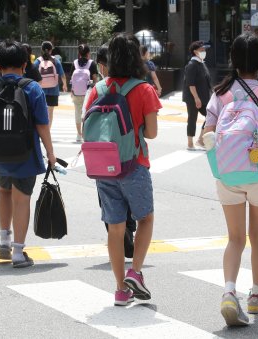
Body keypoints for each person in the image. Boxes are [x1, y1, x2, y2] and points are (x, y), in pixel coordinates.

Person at [204, 33, 258, 326]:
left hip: (227, 174)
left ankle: (228, 291)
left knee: (235, 238)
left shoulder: (220, 93)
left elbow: (207, 136)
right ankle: (257, 296)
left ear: (233, 61)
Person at [84, 33, 161, 306]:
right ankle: (135, 272)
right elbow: (151, 133)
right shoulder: (144, 89)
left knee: (114, 229)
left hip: (104, 166)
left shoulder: (98, 89)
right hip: (134, 164)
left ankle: (120, 290)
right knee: (145, 219)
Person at [0, 40, 56, 268]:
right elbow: (42, 125)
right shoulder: (32, 88)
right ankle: (18, 252)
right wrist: (50, 152)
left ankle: (3, 241)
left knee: (3, 190)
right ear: (23, 64)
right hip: (26, 153)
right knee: (22, 199)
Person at [90, 45, 137, 259]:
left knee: (108, 199)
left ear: (101, 66)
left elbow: (86, 126)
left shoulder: (98, 89)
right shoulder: (136, 87)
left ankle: (117, 233)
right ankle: (129, 230)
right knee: (129, 195)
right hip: (132, 155)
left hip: (103, 157)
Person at [183, 41, 211, 151]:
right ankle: (190, 143)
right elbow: (191, 84)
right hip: (192, 97)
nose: (204, 52)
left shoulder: (202, 63)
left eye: (204, 50)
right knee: (192, 118)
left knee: (210, 116)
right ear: (195, 52)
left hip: (203, 97)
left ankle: (200, 140)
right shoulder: (191, 65)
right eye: (202, 50)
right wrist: (196, 98)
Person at [33, 41, 67, 128]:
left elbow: (33, 75)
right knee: (50, 111)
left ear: (41, 49)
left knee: (41, 110)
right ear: (51, 50)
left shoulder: (37, 61)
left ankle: (41, 130)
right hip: (53, 89)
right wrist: (64, 85)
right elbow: (62, 75)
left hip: (40, 90)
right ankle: (48, 130)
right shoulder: (55, 61)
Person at [70, 44, 98, 142]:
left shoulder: (74, 63)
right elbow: (95, 79)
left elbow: (72, 79)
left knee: (77, 112)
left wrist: (72, 91)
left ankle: (78, 134)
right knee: (87, 113)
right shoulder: (92, 63)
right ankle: (86, 133)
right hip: (88, 93)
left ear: (79, 53)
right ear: (88, 53)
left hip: (76, 93)